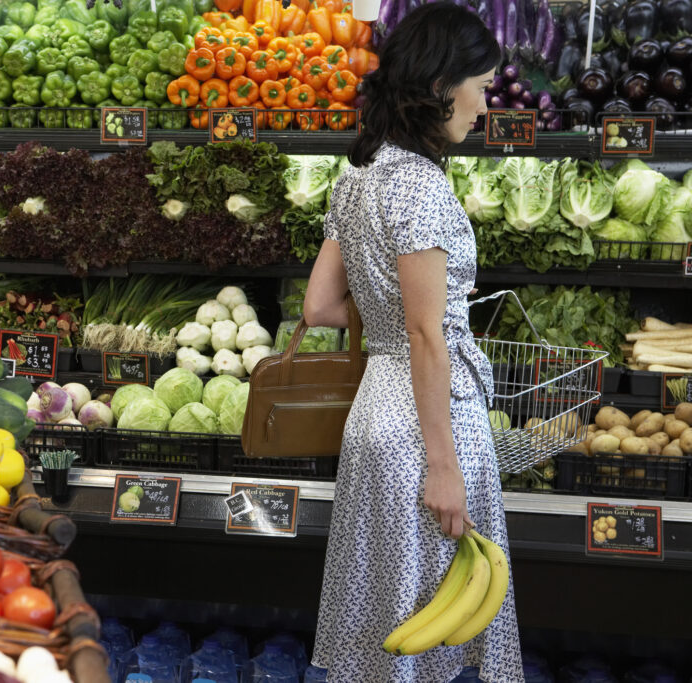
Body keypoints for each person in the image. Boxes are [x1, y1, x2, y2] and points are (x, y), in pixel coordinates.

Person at [303, 3, 524, 681]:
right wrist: (443, 465)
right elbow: (428, 336)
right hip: (430, 422)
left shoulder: (359, 175)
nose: (485, 105)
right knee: (436, 617)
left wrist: (397, 316)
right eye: (481, 87)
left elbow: (320, 306)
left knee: (385, 619)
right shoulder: (423, 188)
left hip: (375, 413)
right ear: (439, 86)